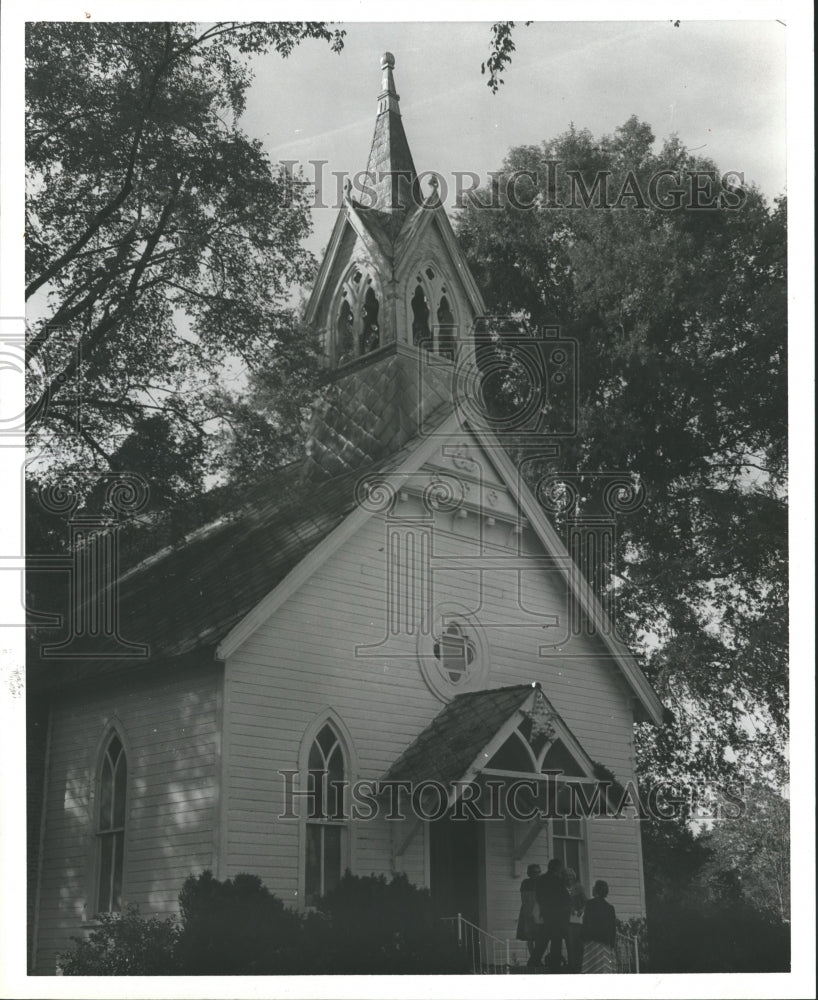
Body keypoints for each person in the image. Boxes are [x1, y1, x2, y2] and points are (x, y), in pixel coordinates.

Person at [534, 858, 571, 972]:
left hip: (546, 913)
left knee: (543, 939)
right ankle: (555, 966)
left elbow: (538, 896)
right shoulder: (557, 880)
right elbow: (565, 898)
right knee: (556, 940)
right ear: (557, 868)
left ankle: (533, 962)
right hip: (558, 916)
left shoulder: (541, 879)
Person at [581, 879, 617, 973]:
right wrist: (612, 944)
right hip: (605, 943)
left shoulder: (590, 904)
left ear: (596, 890)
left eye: (594, 887)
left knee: (592, 968)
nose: (592, 888)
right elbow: (612, 927)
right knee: (603, 968)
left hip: (592, 941)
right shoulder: (610, 907)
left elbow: (586, 922)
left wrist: (583, 938)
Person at [515, 863, 543, 967]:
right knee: (530, 937)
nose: (536, 874)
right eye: (533, 872)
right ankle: (533, 959)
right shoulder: (525, 883)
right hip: (528, 911)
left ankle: (538, 958)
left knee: (541, 937)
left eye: (538, 872)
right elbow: (525, 899)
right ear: (529, 873)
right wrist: (529, 912)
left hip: (540, 912)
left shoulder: (542, 882)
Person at [564, 867, 587, 973]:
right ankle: (572, 968)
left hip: (578, 920)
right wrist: (569, 908)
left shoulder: (579, 887)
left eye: (571, 876)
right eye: (567, 876)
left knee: (579, 944)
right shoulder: (562, 888)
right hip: (567, 921)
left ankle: (580, 967)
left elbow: (585, 902)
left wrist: (581, 910)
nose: (569, 878)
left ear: (574, 877)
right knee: (570, 944)